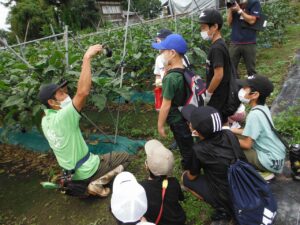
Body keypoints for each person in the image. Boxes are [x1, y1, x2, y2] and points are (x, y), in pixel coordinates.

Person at [38, 45, 130, 197]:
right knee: (125, 158)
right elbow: (83, 92)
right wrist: (87, 57)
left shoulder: (45, 120)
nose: (66, 94)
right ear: (52, 102)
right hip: (87, 168)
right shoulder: (63, 117)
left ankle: (81, 188)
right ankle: (96, 183)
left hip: (71, 172)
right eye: (61, 93)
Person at [181, 105, 247, 222]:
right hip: (243, 182)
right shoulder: (229, 134)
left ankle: (222, 208)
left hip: (227, 194)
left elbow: (192, 176)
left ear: (196, 131)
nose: (189, 124)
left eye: (190, 123)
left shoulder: (198, 149)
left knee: (186, 180)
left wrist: (185, 174)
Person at [231, 75, 286, 180]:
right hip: (277, 156)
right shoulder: (262, 108)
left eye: (245, 88)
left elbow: (247, 144)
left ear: (255, 95)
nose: (241, 90)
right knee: (234, 136)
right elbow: (253, 131)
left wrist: (228, 137)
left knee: (230, 146)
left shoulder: (254, 115)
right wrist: (231, 130)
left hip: (270, 162)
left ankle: (261, 171)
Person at [151, 34, 194, 170]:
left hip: (177, 119)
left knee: (185, 148)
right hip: (186, 115)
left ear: (172, 53)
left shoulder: (170, 78)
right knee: (188, 143)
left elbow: (166, 105)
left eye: (163, 51)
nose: (161, 54)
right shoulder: (184, 70)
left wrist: (160, 125)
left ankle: (191, 172)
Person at [140, 140, 186, 225]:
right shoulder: (174, 182)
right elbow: (181, 198)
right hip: (178, 220)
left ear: (146, 167)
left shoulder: (141, 188)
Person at [199, 8, 232, 123]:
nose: (201, 31)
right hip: (221, 93)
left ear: (215, 27)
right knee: (221, 120)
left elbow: (218, 75)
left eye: (204, 27)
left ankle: (224, 139)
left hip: (218, 94)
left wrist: (208, 93)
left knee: (217, 121)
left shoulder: (217, 48)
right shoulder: (219, 44)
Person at [227, 0, 262, 77]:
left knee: (251, 70)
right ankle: (236, 86)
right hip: (235, 42)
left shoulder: (254, 2)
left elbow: (252, 20)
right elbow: (229, 23)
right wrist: (230, 10)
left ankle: (252, 87)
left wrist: (239, 10)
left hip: (249, 42)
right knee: (231, 69)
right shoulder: (234, 2)